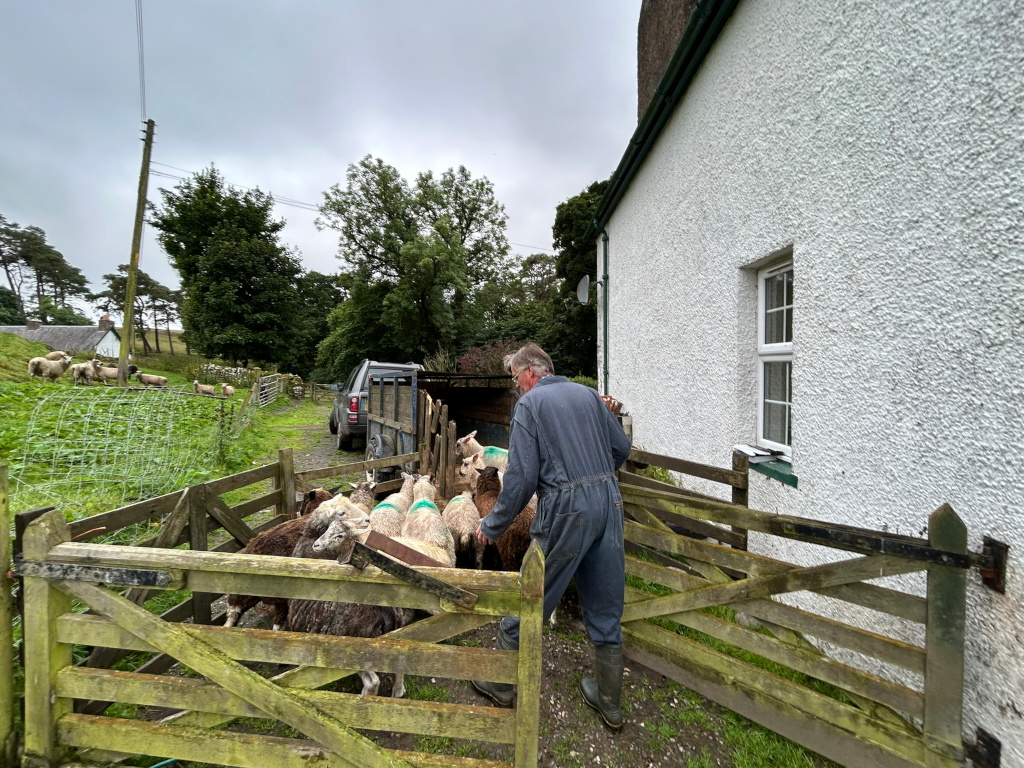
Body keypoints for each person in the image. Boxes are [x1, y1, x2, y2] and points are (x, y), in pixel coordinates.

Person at [472, 343, 632, 730]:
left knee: (533, 591)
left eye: (514, 379)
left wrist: (492, 525)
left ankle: (501, 683)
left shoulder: (530, 406)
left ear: (530, 372)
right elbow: (622, 448)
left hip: (567, 510)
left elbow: (523, 478)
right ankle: (609, 702)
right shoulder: (589, 396)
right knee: (606, 598)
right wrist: (593, 476)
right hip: (609, 503)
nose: (515, 388)